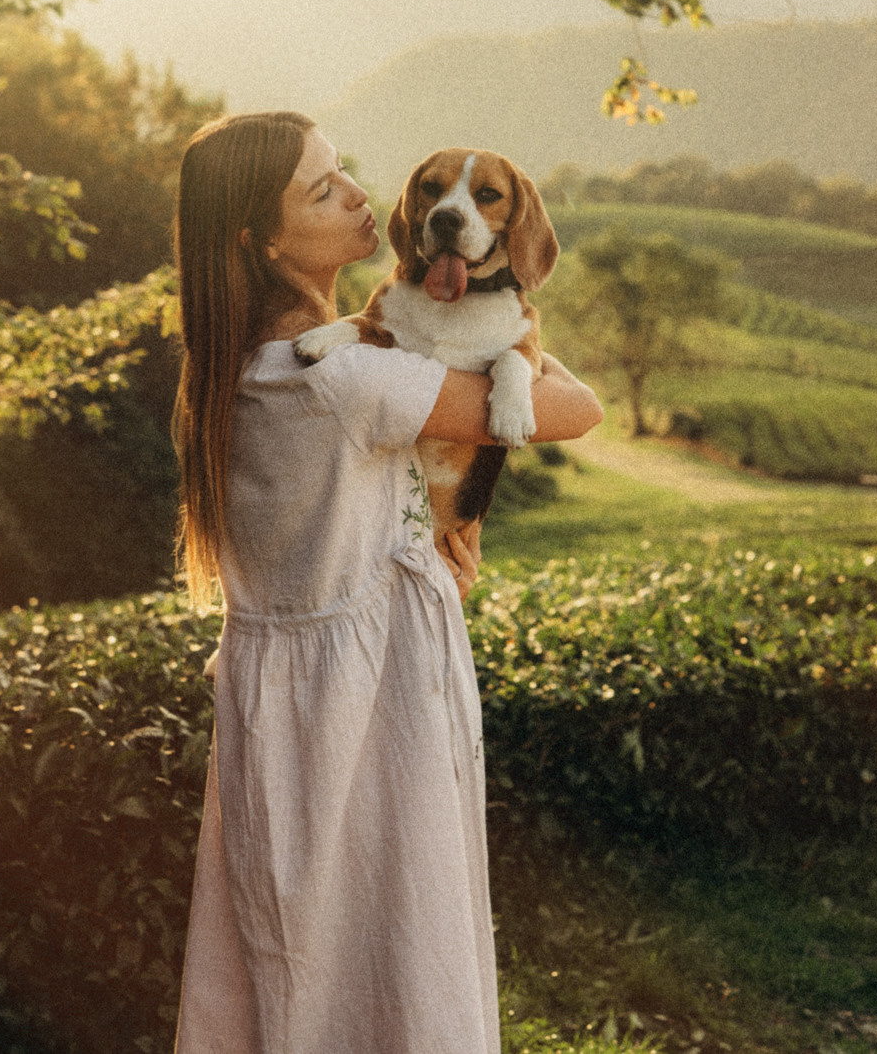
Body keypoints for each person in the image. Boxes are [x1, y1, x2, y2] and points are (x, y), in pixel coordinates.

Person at [170, 112, 603, 1053]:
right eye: (324, 190)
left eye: (348, 173)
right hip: (369, 706)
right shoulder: (349, 376)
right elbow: (575, 407)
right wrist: (509, 323)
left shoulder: (260, 362)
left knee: (296, 969)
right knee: (392, 959)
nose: (360, 196)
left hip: (290, 701)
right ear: (265, 238)